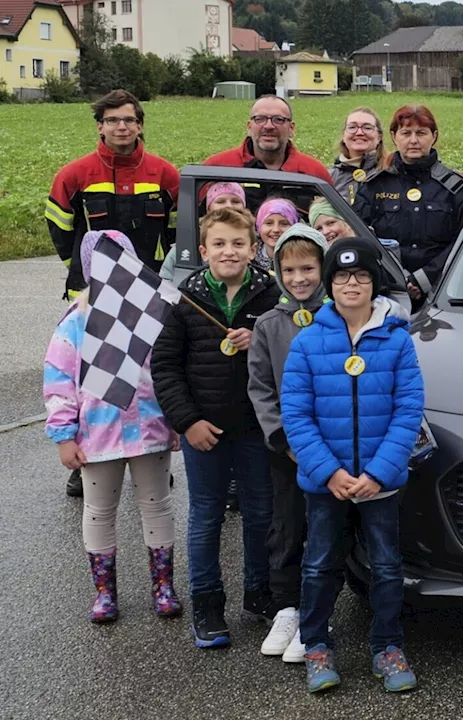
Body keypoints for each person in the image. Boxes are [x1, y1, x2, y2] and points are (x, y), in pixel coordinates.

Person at [280, 237, 425, 694]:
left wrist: (379, 471)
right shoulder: (307, 343)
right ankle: (317, 644)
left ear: (373, 281)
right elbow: (296, 416)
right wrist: (330, 472)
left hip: (379, 482)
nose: (351, 283)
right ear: (329, 284)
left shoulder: (398, 342)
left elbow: (409, 410)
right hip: (328, 483)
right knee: (320, 564)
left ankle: (387, 646)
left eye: (361, 274)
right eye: (341, 276)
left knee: (385, 566)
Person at [151, 207, 278, 648]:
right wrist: (187, 422)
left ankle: (259, 592)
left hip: (255, 430)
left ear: (253, 248)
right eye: (219, 244)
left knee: (262, 514)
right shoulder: (184, 300)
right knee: (205, 517)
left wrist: (258, 335)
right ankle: (207, 603)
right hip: (204, 430)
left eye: (238, 244)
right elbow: (165, 367)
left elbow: (288, 354)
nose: (229, 251)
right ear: (204, 251)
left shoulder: (270, 296)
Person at [43, 230, 182, 623]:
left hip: (149, 429)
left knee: (157, 505)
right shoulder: (76, 321)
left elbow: (167, 371)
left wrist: (175, 420)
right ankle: (105, 593)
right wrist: (63, 434)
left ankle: (164, 585)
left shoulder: (152, 314)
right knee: (99, 511)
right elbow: (58, 381)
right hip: (97, 435)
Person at [46, 89, 180, 497]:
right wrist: (80, 274)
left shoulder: (163, 173)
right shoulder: (75, 174)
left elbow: (176, 231)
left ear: (140, 125)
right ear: (100, 126)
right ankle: (86, 460)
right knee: (92, 377)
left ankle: (151, 454)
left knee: (148, 374)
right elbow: (60, 227)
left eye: (129, 119)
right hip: (92, 293)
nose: (121, 126)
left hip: (147, 293)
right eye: (112, 120)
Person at [247, 223, 329, 663]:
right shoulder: (268, 325)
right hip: (289, 450)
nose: (300, 279)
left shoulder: (339, 315)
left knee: (327, 528)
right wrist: (283, 438)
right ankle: (287, 608)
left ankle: (320, 610)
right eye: (290, 270)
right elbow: (260, 386)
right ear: (278, 272)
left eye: (309, 269)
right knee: (288, 524)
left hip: (333, 447)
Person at [354, 104, 463, 303]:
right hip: (383, 289)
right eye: (406, 133)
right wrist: (396, 277)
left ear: (434, 136)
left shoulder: (455, 188)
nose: (413, 140)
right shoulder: (374, 186)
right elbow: (360, 235)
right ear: (393, 136)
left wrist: (423, 279)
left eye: (421, 133)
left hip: (441, 290)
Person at [204, 95, 331, 208]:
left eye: (278, 119)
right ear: (249, 126)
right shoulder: (216, 167)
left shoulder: (314, 173)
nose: (269, 126)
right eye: (260, 119)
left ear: (291, 128)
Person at [160, 182, 246, 283]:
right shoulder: (188, 244)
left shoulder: (254, 240)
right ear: (209, 208)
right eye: (221, 201)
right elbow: (165, 282)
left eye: (235, 201)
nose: (228, 206)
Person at [331, 107, 390, 203]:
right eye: (352, 127)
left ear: (379, 137)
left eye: (367, 128)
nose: (359, 133)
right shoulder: (330, 177)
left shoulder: (391, 172)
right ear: (343, 136)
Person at [255, 198, 301, 271]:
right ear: (259, 226)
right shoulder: (248, 258)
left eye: (284, 224)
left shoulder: (303, 256)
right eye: (269, 223)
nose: (276, 229)